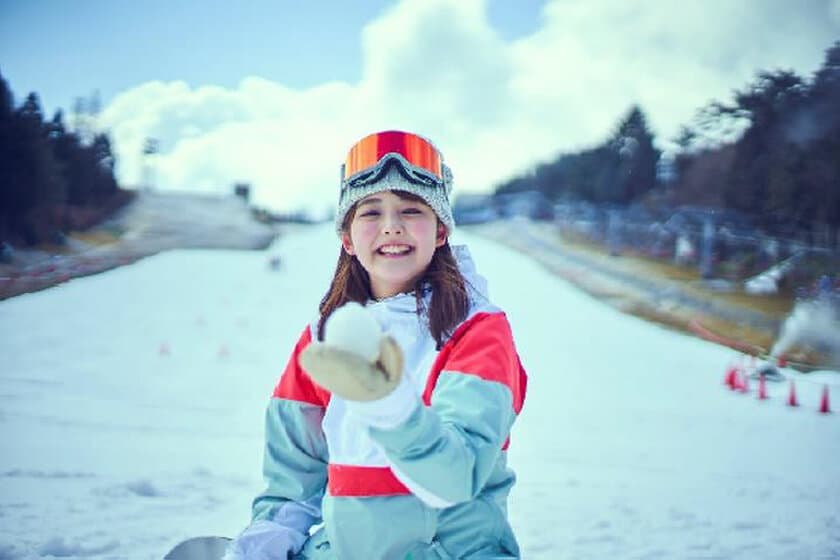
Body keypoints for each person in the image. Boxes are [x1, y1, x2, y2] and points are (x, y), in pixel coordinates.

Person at [225, 130, 528, 559]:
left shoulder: (478, 331)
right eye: (370, 212)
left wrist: (390, 406)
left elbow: (454, 479)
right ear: (347, 239)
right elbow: (294, 480)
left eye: (411, 209)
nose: (392, 226)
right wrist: (269, 540)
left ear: (440, 230)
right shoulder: (322, 338)